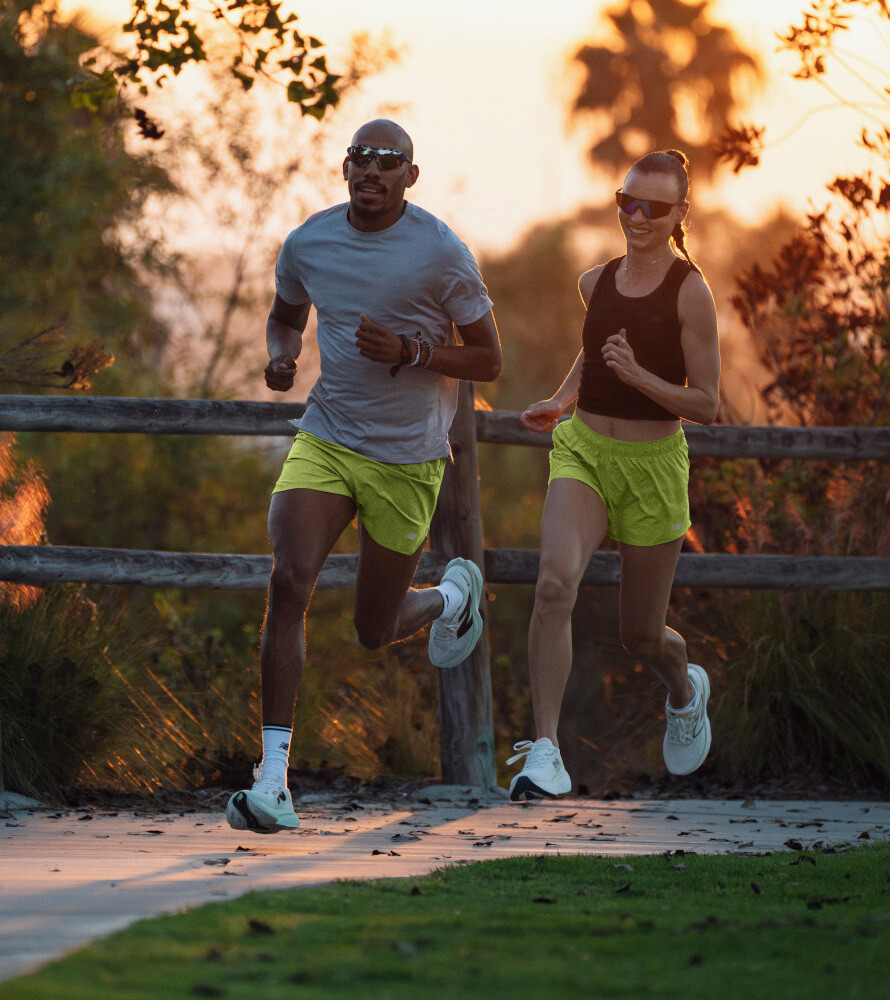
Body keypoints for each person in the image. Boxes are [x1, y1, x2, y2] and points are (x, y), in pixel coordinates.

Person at [227, 119, 502, 833]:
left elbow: (489, 361)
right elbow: (285, 317)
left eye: (389, 162)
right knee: (288, 581)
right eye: (360, 160)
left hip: (406, 458)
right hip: (327, 436)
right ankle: (274, 782)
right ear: (345, 168)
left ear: (412, 176)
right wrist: (282, 356)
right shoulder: (309, 242)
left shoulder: (441, 253)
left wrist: (413, 350)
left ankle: (449, 597)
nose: (371, 172)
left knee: (374, 629)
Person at [507, 149, 720, 801]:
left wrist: (639, 379)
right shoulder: (594, 282)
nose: (639, 216)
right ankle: (545, 752)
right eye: (628, 201)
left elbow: (708, 405)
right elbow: (592, 347)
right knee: (552, 586)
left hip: (654, 467)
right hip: (585, 454)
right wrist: (563, 398)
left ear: (680, 213)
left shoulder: (691, 291)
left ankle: (684, 686)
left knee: (639, 635)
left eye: (655, 207)